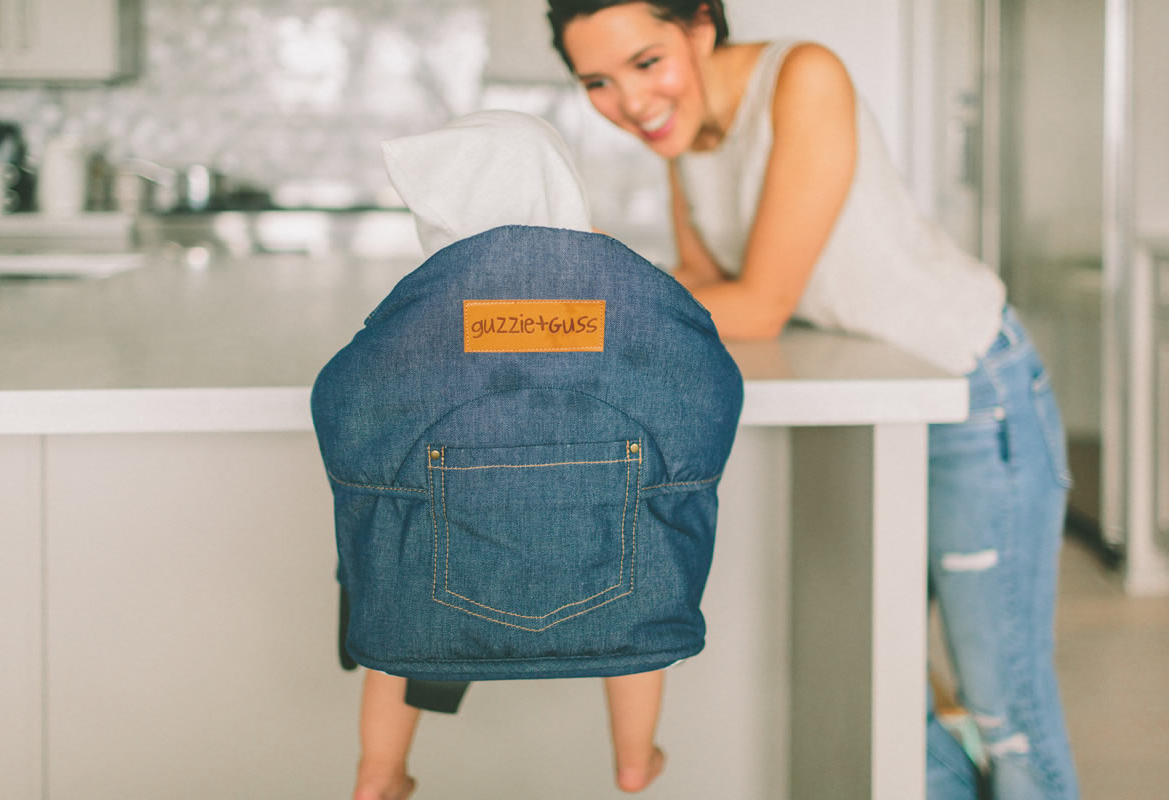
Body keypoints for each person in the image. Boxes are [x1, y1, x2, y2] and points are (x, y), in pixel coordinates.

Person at [545, 2, 1079, 798]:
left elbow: (757, 306)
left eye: (646, 61)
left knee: (1006, 709)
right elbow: (705, 285)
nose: (630, 101)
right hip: (880, 404)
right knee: (885, 692)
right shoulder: (684, 129)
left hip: (972, 390)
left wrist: (570, 322)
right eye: (597, 80)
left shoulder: (804, 76)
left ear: (700, 26)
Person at [316, 109, 743, 799]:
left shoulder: (423, 313)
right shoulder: (625, 295)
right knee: (637, 567)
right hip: (617, 535)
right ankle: (634, 760)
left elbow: (355, 403)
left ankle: (380, 769)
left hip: (436, 538)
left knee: (404, 580)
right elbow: (698, 381)